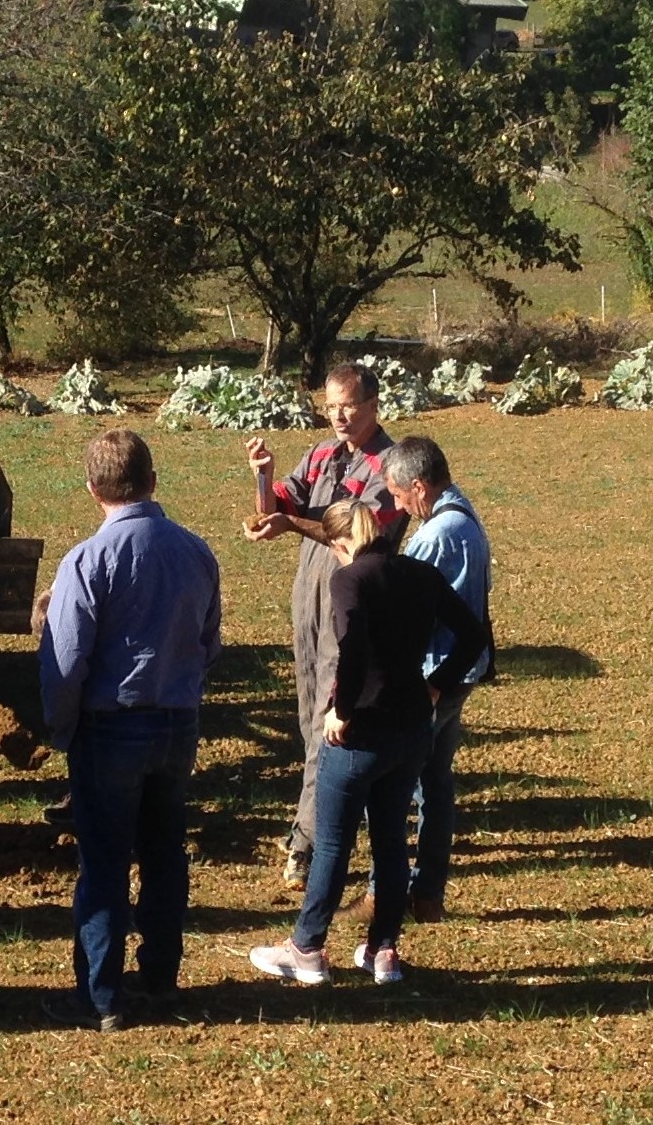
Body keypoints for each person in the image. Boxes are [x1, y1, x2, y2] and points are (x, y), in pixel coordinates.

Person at [248, 498, 485, 987]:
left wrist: (342, 710)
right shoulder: (420, 574)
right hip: (412, 729)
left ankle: (307, 947)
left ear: (340, 544)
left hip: (362, 732)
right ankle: (383, 949)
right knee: (391, 843)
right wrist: (438, 681)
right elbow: (471, 632)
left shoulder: (350, 578)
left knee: (333, 843)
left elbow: (352, 645)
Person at [38, 431, 222, 1031]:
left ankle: (101, 995)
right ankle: (162, 978)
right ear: (153, 479)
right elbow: (208, 642)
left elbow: (65, 659)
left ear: (93, 490)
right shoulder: (197, 553)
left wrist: (63, 729)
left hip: (112, 728)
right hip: (177, 723)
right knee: (165, 852)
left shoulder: (88, 561)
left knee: (105, 861)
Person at [244, 363, 405, 890]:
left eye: (349, 405)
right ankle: (319, 828)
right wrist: (264, 478)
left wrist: (291, 523)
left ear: (374, 404)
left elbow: (359, 537)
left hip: (353, 595)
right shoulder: (320, 455)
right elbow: (279, 507)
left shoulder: (389, 466)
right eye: (331, 405)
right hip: (308, 593)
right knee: (306, 706)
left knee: (331, 716)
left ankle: (308, 843)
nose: (339, 415)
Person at [381, 435, 494, 923]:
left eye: (398, 493)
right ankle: (428, 893)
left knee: (395, 783)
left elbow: (405, 608)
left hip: (432, 675)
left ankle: (384, 892)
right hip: (460, 672)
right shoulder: (464, 515)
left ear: (420, 487)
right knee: (436, 782)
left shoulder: (435, 536)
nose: (395, 503)